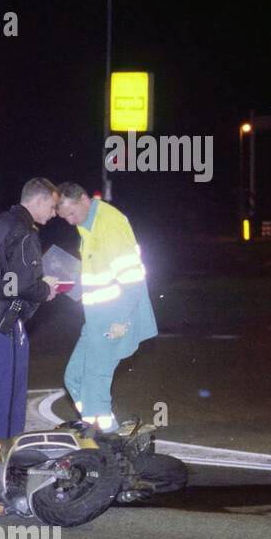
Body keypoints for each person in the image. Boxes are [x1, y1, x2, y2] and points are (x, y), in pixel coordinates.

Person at [55, 182, 157, 434]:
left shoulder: (109, 224)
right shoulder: (87, 226)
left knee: (94, 382)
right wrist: (64, 282)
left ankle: (103, 439)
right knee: (74, 378)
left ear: (84, 200)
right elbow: (97, 275)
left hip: (114, 320)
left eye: (71, 213)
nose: (69, 221)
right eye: (64, 217)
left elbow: (132, 277)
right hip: (96, 320)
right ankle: (100, 426)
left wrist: (121, 320)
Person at [0, 177, 61, 439]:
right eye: (52, 207)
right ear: (39, 200)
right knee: (9, 400)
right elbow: (21, 284)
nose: (54, 214)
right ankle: (5, 463)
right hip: (3, 323)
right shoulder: (24, 232)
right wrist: (46, 289)